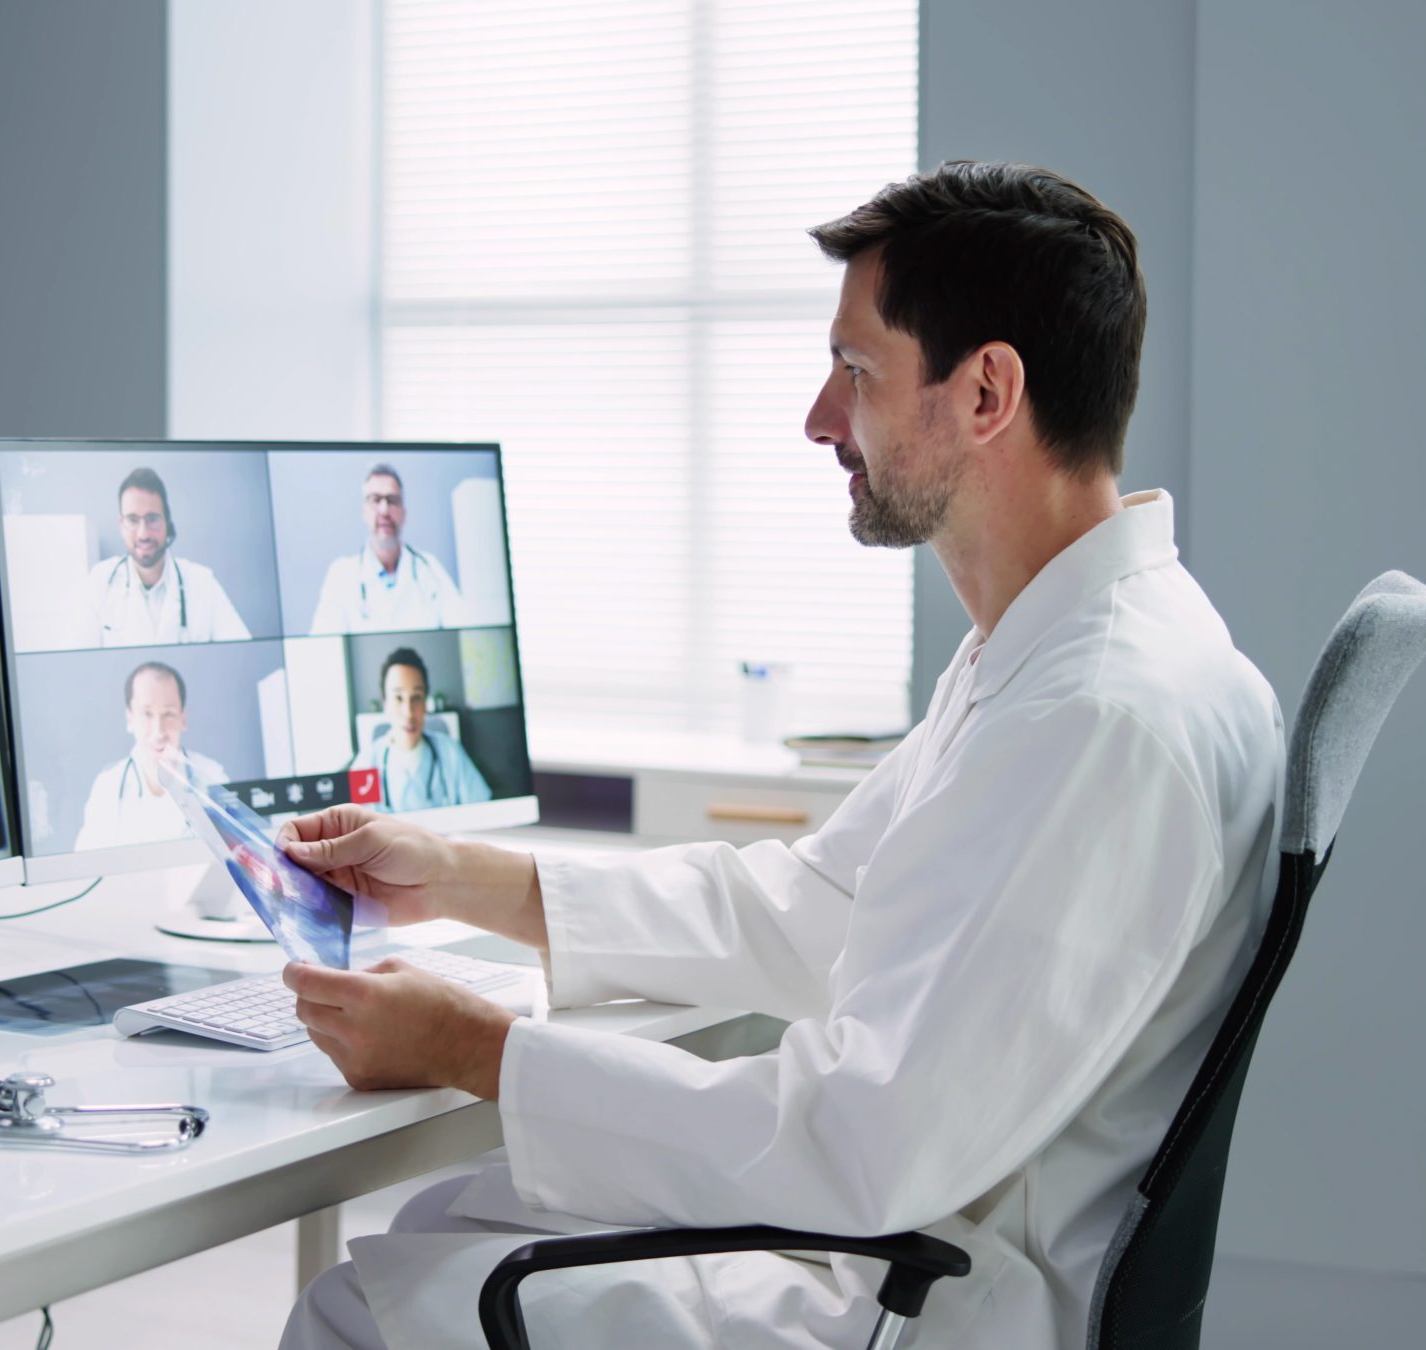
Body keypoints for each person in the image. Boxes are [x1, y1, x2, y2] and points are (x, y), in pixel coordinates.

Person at [274, 161, 1284, 1350]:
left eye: (855, 371)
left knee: (365, 1308)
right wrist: (460, 878)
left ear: (985, 393)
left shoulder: (1098, 715)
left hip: (932, 1298)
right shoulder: (1055, 650)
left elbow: (863, 1139)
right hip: (916, 1233)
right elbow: (816, 904)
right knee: (443, 1225)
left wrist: (473, 1047)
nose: (819, 417)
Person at [85, 467, 252, 646]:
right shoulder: (100, 581)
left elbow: (243, 650)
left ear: (167, 521)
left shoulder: (202, 582)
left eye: (152, 519)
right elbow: (74, 654)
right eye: (133, 520)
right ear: (121, 524)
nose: (143, 534)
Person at [73, 661, 226, 851]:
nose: (158, 731)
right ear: (130, 719)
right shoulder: (107, 787)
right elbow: (86, 864)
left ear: (183, 718)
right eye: (147, 714)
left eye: (168, 714)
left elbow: (236, 856)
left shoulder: (212, 777)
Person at [307, 464, 470, 634]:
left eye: (392, 500)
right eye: (375, 500)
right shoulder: (341, 575)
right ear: (364, 511)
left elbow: (466, 633)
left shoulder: (430, 569)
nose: (384, 510)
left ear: (403, 513)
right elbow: (324, 644)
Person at [347, 647, 493, 812]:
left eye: (416, 697)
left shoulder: (450, 752)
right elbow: (358, 822)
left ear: (425, 704)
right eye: (398, 698)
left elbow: (483, 812)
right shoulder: (365, 763)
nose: (409, 712)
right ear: (385, 704)